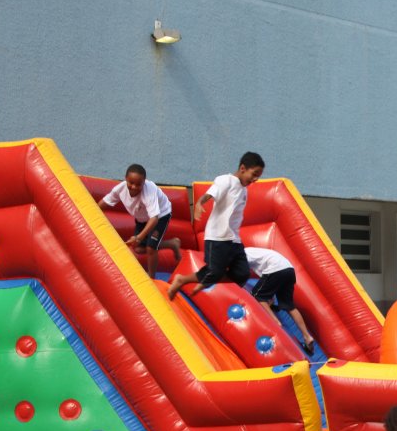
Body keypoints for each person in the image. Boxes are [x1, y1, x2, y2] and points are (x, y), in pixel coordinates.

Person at [167, 152, 265, 299]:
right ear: (243, 168)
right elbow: (211, 193)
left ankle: (206, 281)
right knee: (214, 271)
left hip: (234, 239)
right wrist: (200, 203)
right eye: (254, 174)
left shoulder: (244, 190)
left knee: (242, 274)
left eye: (258, 176)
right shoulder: (226, 180)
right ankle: (183, 279)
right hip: (217, 237)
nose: (255, 179)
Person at [103, 163, 183, 278]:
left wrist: (139, 237)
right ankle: (172, 243)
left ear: (144, 182)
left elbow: (154, 218)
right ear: (126, 179)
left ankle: (151, 278)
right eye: (131, 183)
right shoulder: (120, 189)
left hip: (161, 215)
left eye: (138, 184)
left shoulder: (149, 192)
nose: (134, 187)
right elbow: (104, 203)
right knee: (139, 249)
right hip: (142, 217)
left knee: (151, 247)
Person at [244, 245, 316, 355]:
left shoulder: (242, 254)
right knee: (289, 305)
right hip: (288, 269)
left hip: (276, 268)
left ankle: (275, 322)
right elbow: (269, 283)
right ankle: (307, 336)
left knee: (257, 295)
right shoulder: (254, 254)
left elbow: (239, 272)